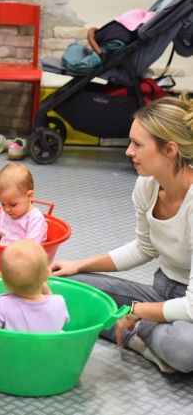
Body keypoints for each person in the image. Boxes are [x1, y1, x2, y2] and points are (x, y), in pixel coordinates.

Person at [50, 93, 193, 374]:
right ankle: (139, 340)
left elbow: (191, 308)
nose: (129, 151)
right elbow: (143, 248)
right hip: (161, 292)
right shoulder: (147, 186)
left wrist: (135, 311)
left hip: (187, 306)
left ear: (170, 150)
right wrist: (79, 264)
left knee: (185, 348)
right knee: (64, 288)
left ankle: (132, 330)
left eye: (138, 145)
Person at [0, 164, 48, 246]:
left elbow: (31, 248)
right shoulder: (4, 213)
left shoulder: (35, 219)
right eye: (2, 204)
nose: (6, 209)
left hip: (24, 258)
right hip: (3, 257)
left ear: (29, 196)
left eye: (13, 204)